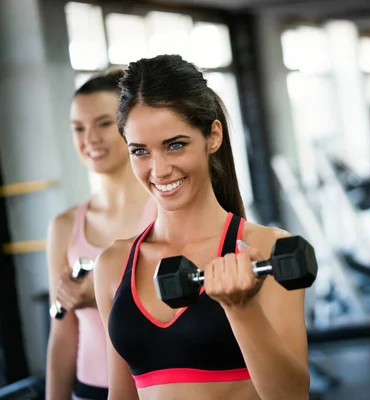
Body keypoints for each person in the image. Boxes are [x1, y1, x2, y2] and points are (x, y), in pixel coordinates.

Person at [93, 54, 310, 400]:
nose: (159, 170)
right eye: (140, 151)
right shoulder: (113, 264)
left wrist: (242, 308)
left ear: (213, 136)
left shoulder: (266, 250)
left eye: (175, 145)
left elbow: (292, 396)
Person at [46, 69, 156, 400]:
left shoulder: (164, 213)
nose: (89, 138)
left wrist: (100, 296)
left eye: (104, 124)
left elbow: (185, 311)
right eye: (78, 128)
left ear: (129, 126)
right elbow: (62, 334)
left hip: (158, 388)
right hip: (89, 390)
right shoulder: (65, 226)